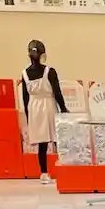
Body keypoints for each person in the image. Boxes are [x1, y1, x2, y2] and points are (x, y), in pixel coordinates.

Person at [20, 40, 67, 186]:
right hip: (48, 105)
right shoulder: (50, 71)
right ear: (43, 54)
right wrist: (64, 109)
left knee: (42, 143)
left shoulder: (24, 74)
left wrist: (28, 116)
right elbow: (57, 93)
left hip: (34, 108)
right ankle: (64, 169)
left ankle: (44, 173)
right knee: (58, 137)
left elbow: (25, 97)